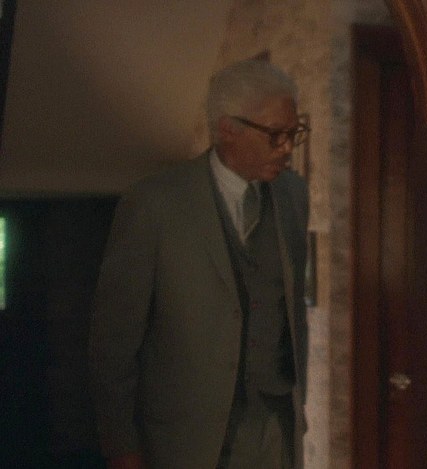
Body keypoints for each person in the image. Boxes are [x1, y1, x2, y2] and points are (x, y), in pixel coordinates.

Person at [89, 59, 310, 469]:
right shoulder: (154, 204)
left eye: (294, 133)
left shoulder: (293, 196)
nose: (287, 148)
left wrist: (298, 408)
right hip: (187, 440)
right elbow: (114, 341)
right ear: (228, 129)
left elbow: (292, 311)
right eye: (276, 135)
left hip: (275, 430)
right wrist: (121, 446)